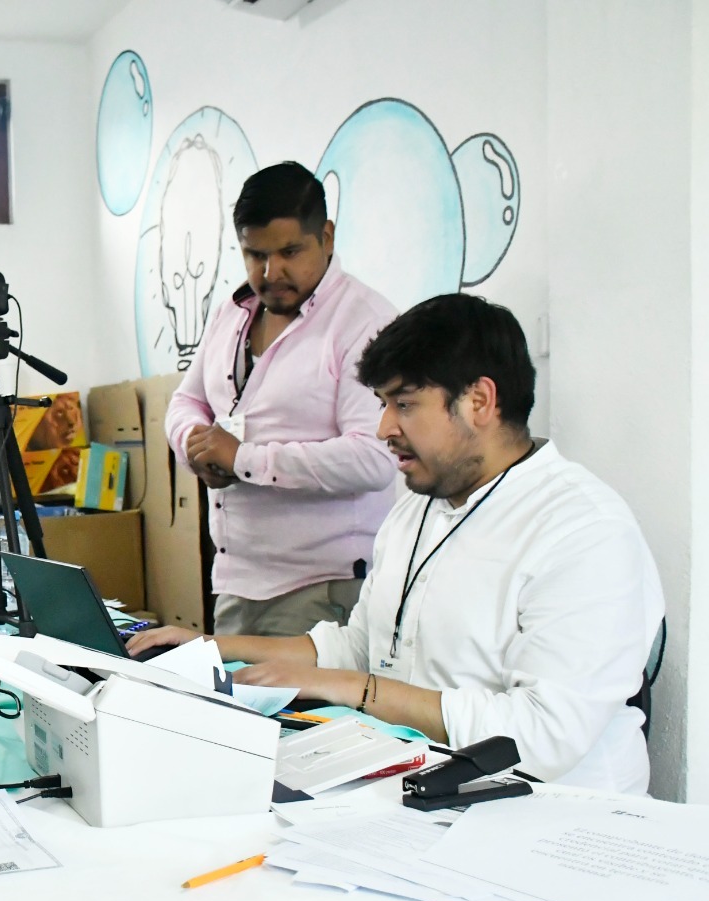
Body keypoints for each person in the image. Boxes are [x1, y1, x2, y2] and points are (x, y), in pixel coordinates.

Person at [131, 294, 664, 793]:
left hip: (548, 817)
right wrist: (212, 649)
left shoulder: (583, 530)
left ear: (480, 400)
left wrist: (357, 690)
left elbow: (543, 737)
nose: (383, 427)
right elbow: (362, 646)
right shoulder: (418, 506)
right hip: (421, 784)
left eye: (404, 405)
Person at [166, 161, 399, 636]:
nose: (271, 272)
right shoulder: (232, 314)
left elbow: (374, 458)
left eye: (290, 251)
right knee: (231, 710)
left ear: (327, 237)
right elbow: (185, 402)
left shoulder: (363, 321)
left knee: (301, 714)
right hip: (236, 581)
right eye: (254, 255)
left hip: (323, 589)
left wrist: (245, 459)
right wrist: (193, 443)